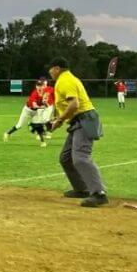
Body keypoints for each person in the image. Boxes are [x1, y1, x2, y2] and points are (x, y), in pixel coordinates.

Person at [48, 57, 108, 207]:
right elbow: (71, 108)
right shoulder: (66, 79)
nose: (50, 72)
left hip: (84, 120)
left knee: (80, 157)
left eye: (51, 69)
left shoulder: (64, 80)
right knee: (66, 158)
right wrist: (58, 118)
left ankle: (99, 193)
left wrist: (60, 121)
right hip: (78, 121)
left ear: (56, 68)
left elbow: (75, 105)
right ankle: (81, 189)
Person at [3, 77, 54, 147]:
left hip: (36, 112)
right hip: (27, 110)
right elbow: (34, 105)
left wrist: (46, 104)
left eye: (41, 86)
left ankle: (43, 142)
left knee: (38, 126)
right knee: (19, 125)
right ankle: (7, 133)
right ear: (36, 86)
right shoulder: (34, 94)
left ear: (43, 86)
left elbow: (45, 103)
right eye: (38, 86)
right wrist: (43, 106)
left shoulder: (44, 93)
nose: (39, 87)